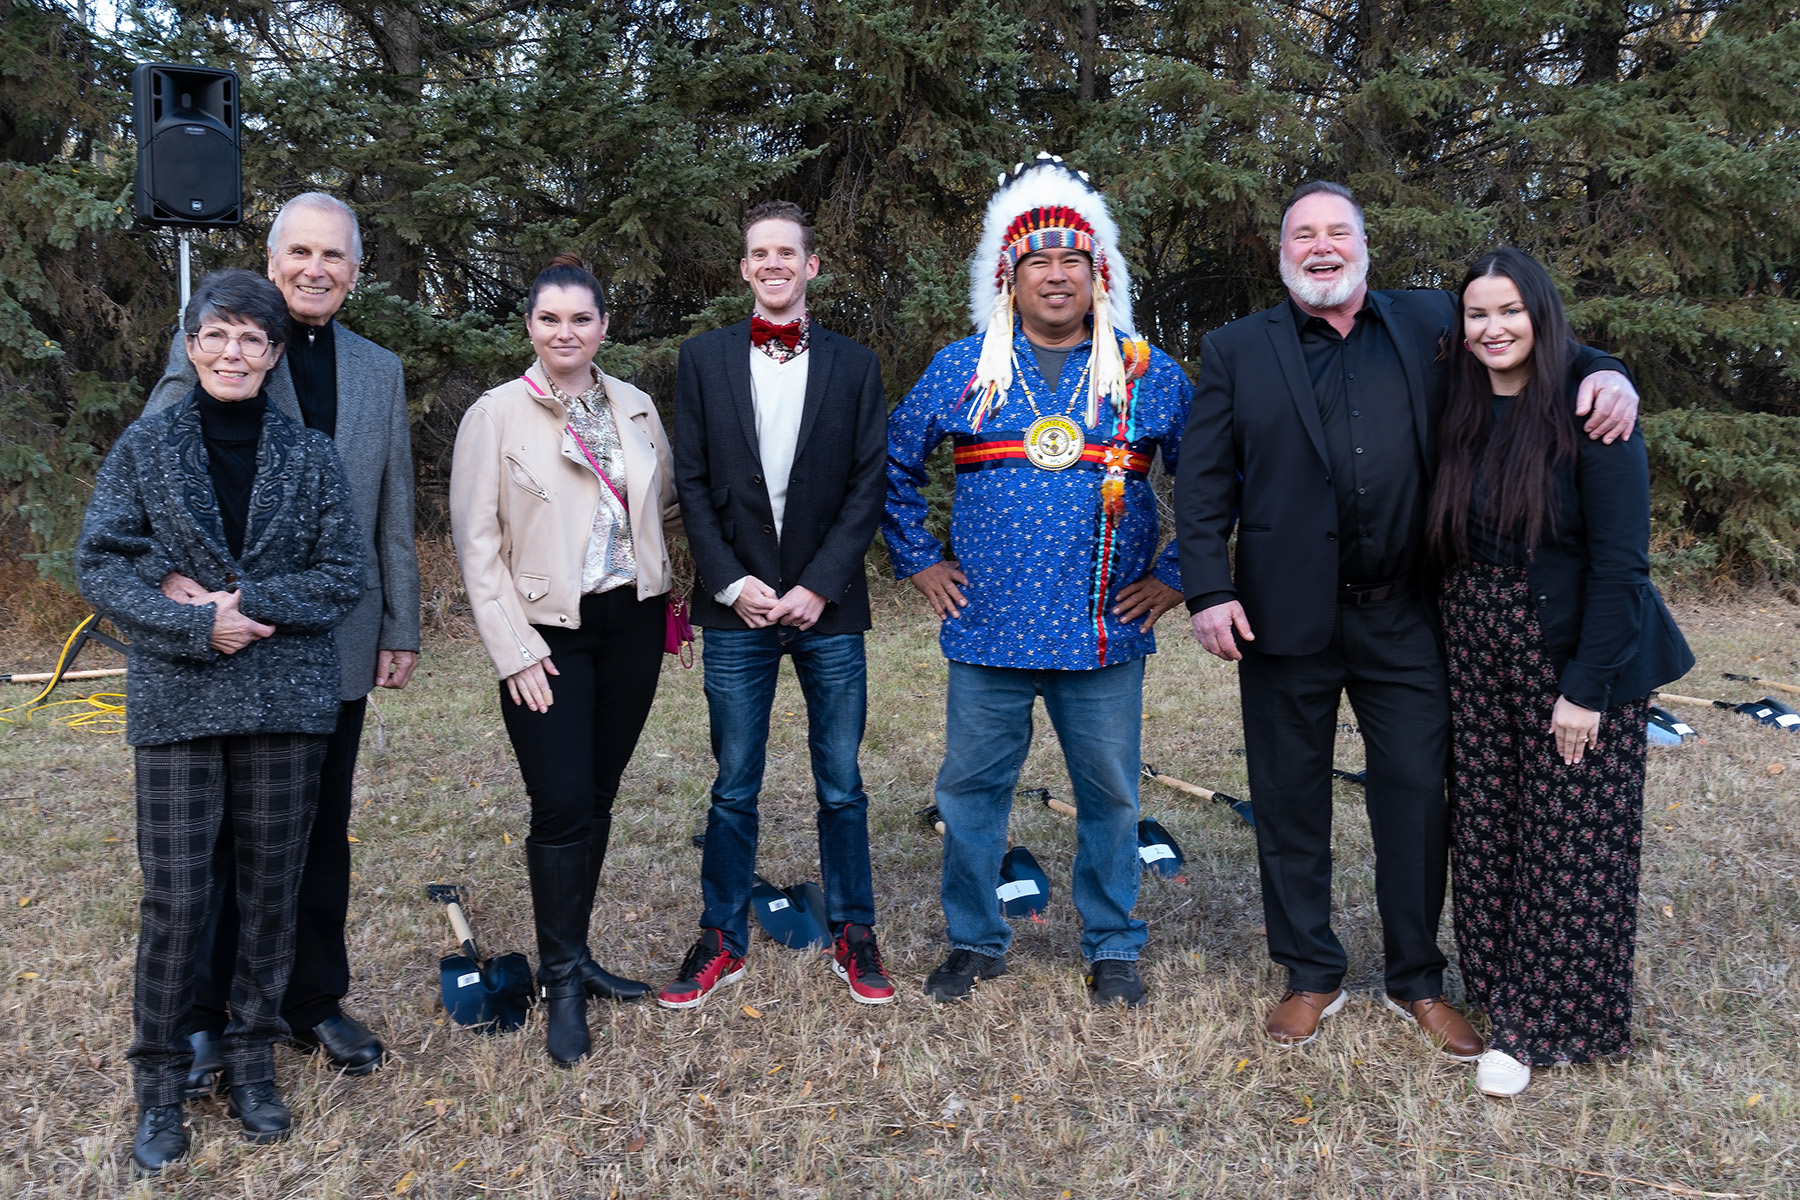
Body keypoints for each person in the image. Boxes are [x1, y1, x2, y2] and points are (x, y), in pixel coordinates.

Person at [1173, 181, 1642, 1054]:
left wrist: (1609, 372)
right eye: (1302, 234)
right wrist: (1208, 589)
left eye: (1336, 231)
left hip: (1413, 617)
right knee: (1288, 799)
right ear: (1282, 255)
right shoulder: (1237, 349)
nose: (1321, 246)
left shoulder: (1433, 324)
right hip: (1281, 620)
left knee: (1419, 800)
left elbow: (1531, 342)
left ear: (1363, 244)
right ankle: (1310, 972)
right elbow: (1200, 482)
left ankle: (1417, 979)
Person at [884, 154, 1192, 1007]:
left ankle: (1113, 942)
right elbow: (890, 466)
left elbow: (1215, 482)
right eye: (1036, 264)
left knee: (1110, 793)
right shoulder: (963, 368)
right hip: (989, 628)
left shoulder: (1146, 372)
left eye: (1072, 263)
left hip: (1104, 628)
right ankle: (976, 939)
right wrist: (920, 559)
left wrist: (1173, 575)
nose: (1055, 277)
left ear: (1100, 275)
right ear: (1008, 279)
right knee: (972, 791)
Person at [78, 269, 365, 1172]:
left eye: (253, 339)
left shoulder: (311, 455)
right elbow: (103, 563)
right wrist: (197, 622)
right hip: (179, 700)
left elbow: (342, 573)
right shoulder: (145, 447)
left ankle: (250, 1063)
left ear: (274, 354)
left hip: (285, 700)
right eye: (218, 336)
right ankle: (160, 1085)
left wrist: (249, 602)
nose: (233, 353)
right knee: (177, 899)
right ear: (191, 342)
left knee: (272, 892)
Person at [146, 192, 420, 1083]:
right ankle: (203, 1015)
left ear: (355, 270)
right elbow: (147, 467)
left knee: (321, 830)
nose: (316, 268)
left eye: (333, 255)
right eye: (299, 251)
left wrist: (401, 622)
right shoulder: (223, 344)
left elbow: (392, 511)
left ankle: (311, 1001)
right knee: (225, 838)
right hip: (232, 636)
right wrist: (167, 585)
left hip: (334, 642)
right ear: (271, 263)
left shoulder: (379, 369)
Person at [1427, 247, 1692, 1096]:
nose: (1493, 328)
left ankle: (1548, 1026)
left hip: (1575, 649)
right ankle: (1501, 991)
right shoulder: (1458, 402)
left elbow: (1622, 568)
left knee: (1571, 836)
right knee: (1490, 823)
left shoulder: (1594, 413)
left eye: (1511, 311)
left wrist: (1585, 689)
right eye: (1477, 313)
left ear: (1542, 315)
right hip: (1476, 644)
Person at [450, 253, 683, 1064]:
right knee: (558, 803)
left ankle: (578, 954)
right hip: (545, 631)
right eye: (550, 319)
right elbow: (477, 548)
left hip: (632, 624)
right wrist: (512, 652)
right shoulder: (496, 414)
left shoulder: (639, 407)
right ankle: (561, 981)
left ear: (604, 327)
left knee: (599, 793)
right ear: (529, 328)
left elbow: (663, 505)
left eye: (581, 318)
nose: (565, 332)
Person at [663, 201, 892, 1008]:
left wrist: (818, 584)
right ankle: (720, 935)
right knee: (734, 783)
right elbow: (690, 480)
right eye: (758, 253)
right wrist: (730, 582)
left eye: (786, 253)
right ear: (743, 269)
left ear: (811, 266)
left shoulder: (855, 365)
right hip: (737, 608)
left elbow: (869, 485)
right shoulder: (703, 359)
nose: (772, 265)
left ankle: (855, 932)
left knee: (842, 781)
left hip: (828, 604)